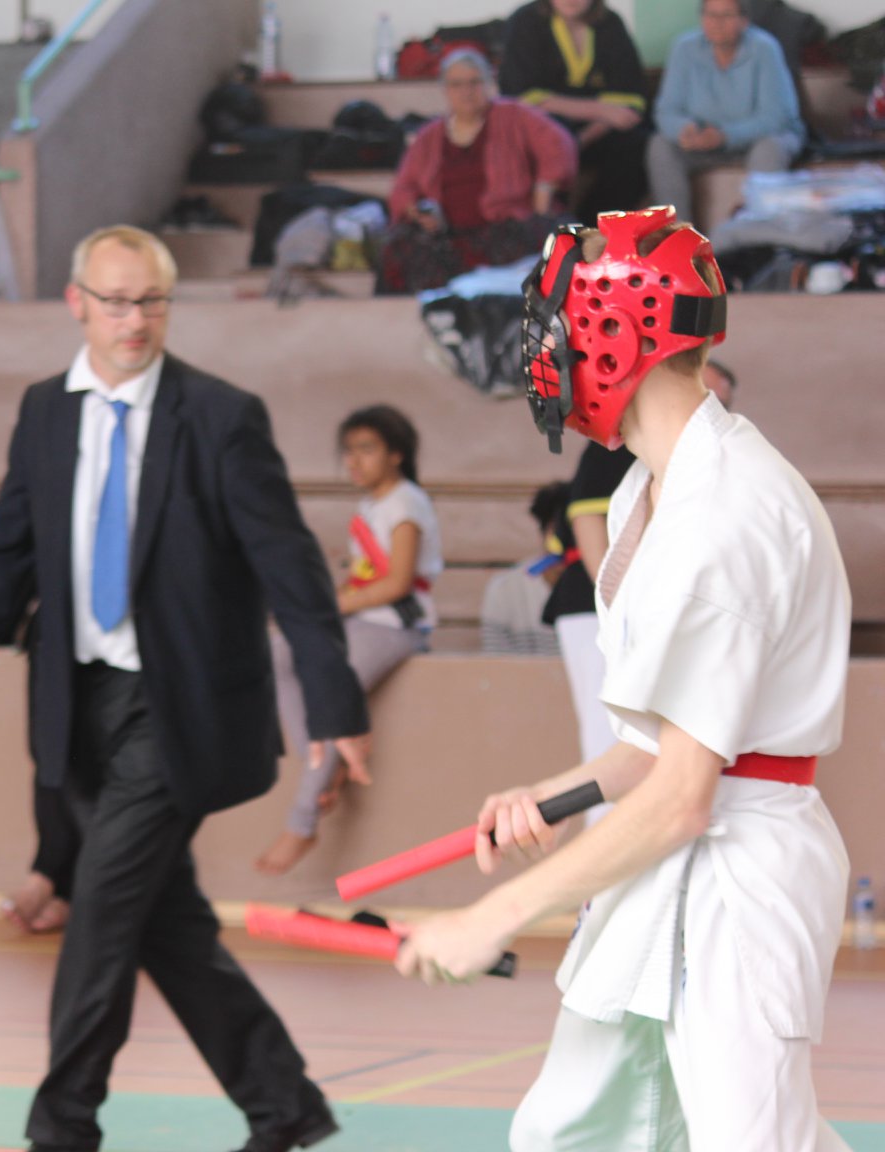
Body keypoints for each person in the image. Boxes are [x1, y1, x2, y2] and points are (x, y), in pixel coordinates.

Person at [0, 225, 370, 1152]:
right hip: (77, 710)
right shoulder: (45, 412)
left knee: (103, 913)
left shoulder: (222, 417)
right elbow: (3, 555)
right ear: (77, 303)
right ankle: (286, 1107)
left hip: (179, 714)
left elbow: (294, 571)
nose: (134, 320)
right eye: (115, 301)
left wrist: (333, 702)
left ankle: (61, 1128)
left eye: (151, 301)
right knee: (166, 925)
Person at [396, 208, 853, 1151]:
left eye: (560, 323)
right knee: (575, 1133)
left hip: (738, 875)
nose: (545, 350)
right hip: (678, 860)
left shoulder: (720, 519)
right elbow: (660, 746)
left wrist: (494, 917)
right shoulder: (657, 485)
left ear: (617, 335)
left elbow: (684, 794)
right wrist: (554, 796)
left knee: (751, 1143)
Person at [257, 405, 442, 875]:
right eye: (349, 451)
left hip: (397, 626)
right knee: (279, 653)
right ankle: (322, 767)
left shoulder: (406, 501)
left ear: (396, 454)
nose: (354, 461)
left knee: (331, 686)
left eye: (367, 449)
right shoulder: (371, 507)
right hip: (362, 621)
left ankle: (302, 821)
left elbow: (397, 582)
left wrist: (329, 608)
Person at [543, 361, 737, 773]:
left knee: (650, 739)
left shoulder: (703, 457)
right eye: (709, 393)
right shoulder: (618, 444)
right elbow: (587, 519)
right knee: (608, 736)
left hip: (648, 609)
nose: (713, 406)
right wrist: (617, 604)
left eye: (724, 401)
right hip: (595, 607)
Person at [379, 51, 578, 295]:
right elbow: (404, 187)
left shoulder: (514, 115)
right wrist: (419, 212)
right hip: (448, 235)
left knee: (555, 238)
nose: (466, 91)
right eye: (456, 84)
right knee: (398, 249)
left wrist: (545, 188)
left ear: (489, 84)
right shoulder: (429, 136)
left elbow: (559, 145)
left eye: (475, 82)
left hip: (506, 227)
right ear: (445, 90)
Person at [647, 0, 805, 221]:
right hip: (702, 143)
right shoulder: (684, 48)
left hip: (755, 140)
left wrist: (725, 136)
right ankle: (677, 238)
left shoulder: (764, 48)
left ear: (744, 20)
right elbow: (666, 110)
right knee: (660, 146)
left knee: (770, 148)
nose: (717, 23)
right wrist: (684, 130)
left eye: (726, 16)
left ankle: (761, 235)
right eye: (711, 15)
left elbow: (776, 117)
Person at [499, 0, 651, 223]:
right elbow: (522, 97)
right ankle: (548, 231)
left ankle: (597, 228)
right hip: (547, 128)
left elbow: (629, 100)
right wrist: (601, 110)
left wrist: (584, 136)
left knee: (639, 144)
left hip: (598, 131)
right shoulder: (526, 21)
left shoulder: (610, 23)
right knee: (546, 147)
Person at [478, 481, 569, 657]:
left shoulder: (607, 590)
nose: (568, 543)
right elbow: (497, 667)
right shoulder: (505, 590)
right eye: (559, 533)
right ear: (544, 532)